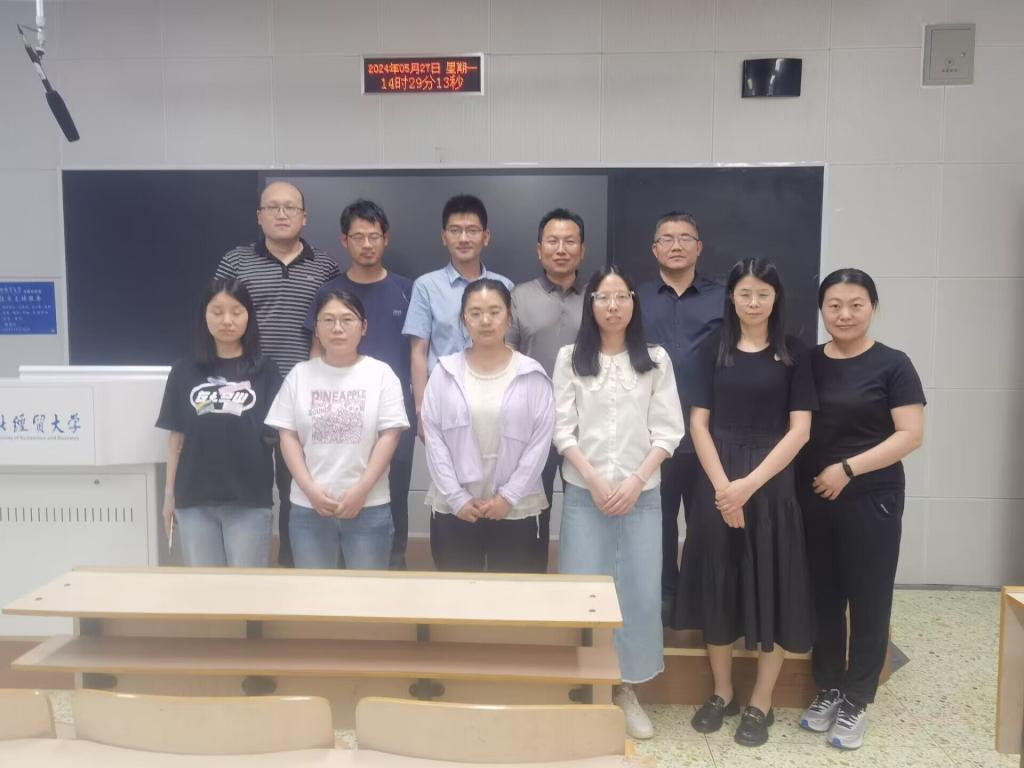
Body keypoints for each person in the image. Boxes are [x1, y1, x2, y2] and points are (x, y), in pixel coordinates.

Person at [672, 258, 816, 747]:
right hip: (717, 479)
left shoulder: (794, 353)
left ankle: (762, 701)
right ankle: (723, 692)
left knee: (771, 585)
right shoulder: (711, 349)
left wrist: (747, 486)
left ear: (776, 299)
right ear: (731, 297)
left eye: (763, 294)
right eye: (745, 293)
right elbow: (698, 424)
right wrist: (723, 489)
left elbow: (800, 430)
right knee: (718, 585)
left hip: (771, 482)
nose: (753, 302)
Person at [553, 265, 685, 740]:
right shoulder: (570, 358)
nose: (613, 306)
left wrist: (634, 481)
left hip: (640, 496)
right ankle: (586, 685)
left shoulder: (656, 360)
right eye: (603, 298)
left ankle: (625, 688)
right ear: (590, 305)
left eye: (622, 297)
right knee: (583, 593)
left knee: (638, 594)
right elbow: (562, 429)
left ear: (634, 303)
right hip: (584, 495)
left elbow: (668, 431)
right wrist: (592, 479)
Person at [797, 268, 925, 750]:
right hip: (815, 498)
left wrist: (848, 469)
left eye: (856, 304)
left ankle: (857, 698)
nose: (844, 314)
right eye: (834, 305)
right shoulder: (809, 362)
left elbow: (910, 435)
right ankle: (828, 686)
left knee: (868, 599)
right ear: (822, 310)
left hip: (873, 498)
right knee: (824, 596)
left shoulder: (893, 364)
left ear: (872, 307)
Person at [216, 181, 340, 566]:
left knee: (297, 490)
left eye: (290, 207)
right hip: (244, 393)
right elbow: (217, 318)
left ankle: (293, 569)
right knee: (246, 488)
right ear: (259, 216)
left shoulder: (325, 266)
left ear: (304, 217)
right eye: (272, 207)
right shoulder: (236, 262)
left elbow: (332, 327)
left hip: (303, 395)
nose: (281, 214)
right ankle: (244, 572)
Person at [306, 199, 415, 569]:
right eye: (358, 237)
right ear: (344, 240)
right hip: (336, 418)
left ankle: (392, 571)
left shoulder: (407, 290)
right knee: (337, 497)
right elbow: (315, 354)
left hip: (391, 421)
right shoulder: (329, 292)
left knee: (393, 500)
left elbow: (419, 354)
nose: (367, 244)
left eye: (374, 236)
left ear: (386, 239)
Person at [265, 289, 409, 570]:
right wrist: (310, 490)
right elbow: (288, 436)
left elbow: (390, 436)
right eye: (328, 320)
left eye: (347, 319)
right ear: (316, 328)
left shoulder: (381, 374)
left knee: (366, 592)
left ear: (363, 327)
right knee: (314, 592)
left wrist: (362, 490)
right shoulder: (299, 375)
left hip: (369, 505)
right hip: (309, 507)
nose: (337, 328)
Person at [421, 279, 554, 572]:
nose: (485, 321)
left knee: (512, 594)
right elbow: (434, 440)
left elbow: (539, 445)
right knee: (457, 593)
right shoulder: (444, 373)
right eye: (475, 313)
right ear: (463, 320)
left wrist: (508, 497)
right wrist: (456, 497)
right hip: (455, 507)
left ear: (509, 317)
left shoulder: (532, 375)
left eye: (494, 312)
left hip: (515, 507)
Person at [156, 278, 281, 567]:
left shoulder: (266, 370)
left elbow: (281, 437)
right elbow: (176, 439)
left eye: (236, 312)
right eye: (217, 311)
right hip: (194, 499)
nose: (227, 320)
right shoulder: (184, 371)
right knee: (205, 588)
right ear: (205, 316)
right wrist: (169, 496)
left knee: (247, 588)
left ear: (249, 316)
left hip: (249, 499)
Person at [638, 211, 725, 619]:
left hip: (710, 433)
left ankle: (696, 603)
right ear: (655, 249)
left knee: (706, 522)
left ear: (699, 247)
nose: (676, 245)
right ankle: (663, 596)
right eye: (667, 238)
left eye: (685, 238)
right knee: (658, 522)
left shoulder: (724, 298)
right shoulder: (635, 298)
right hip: (651, 434)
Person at [507, 208, 588, 572]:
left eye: (570, 241)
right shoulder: (518, 296)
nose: (561, 249)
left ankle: (581, 579)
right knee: (532, 512)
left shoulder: (599, 297)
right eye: (552, 241)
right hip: (531, 425)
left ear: (582, 250)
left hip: (584, 425)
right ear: (539, 250)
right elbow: (505, 357)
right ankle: (531, 582)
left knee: (583, 509)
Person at [402, 194, 514, 438]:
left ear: (486, 236)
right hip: (442, 398)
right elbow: (418, 352)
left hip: (493, 397)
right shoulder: (426, 286)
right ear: (444, 237)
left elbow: (510, 346)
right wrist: (421, 410)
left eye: (472, 230)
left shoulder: (505, 287)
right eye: (455, 230)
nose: (463, 238)